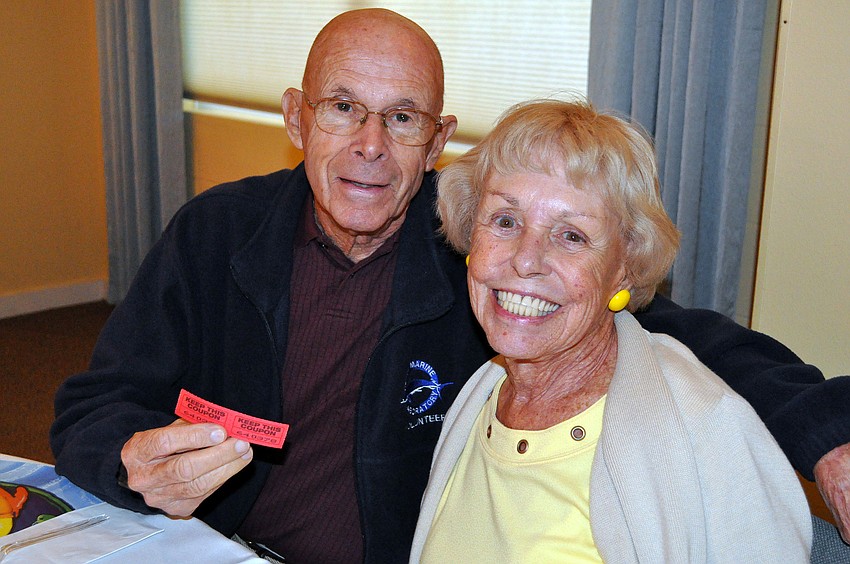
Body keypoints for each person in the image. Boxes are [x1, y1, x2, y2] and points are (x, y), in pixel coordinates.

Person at [49, 8, 849, 563]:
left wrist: (828, 437)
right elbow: (96, 403)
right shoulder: (217, 232)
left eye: (402, 119)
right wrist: (131, 457)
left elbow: (663, 329)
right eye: (343, 108)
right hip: (207, 549)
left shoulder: (479, 250)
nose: (369, 145)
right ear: (297, 119)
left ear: (438, 139)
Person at [410, 99, 811, 562]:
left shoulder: (701, 426)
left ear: (625, 268)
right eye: (505, 221)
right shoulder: (478, 398)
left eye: (571, 236)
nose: (525, 259)